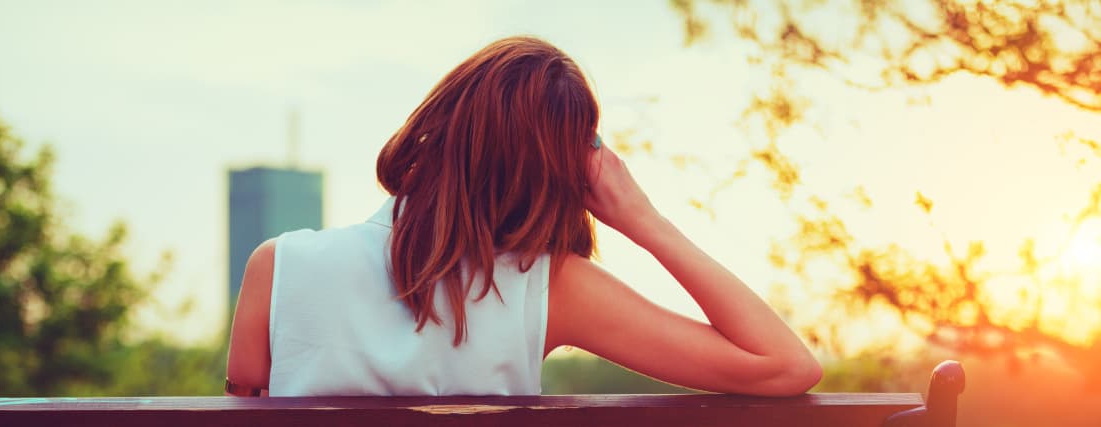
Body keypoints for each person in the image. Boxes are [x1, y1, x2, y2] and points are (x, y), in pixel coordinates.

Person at [225, 36, 821, 397]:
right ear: (561, 173)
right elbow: (787, 366)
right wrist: (646, 221)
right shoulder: (551, 287)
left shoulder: (279, 267)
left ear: (440, 117)